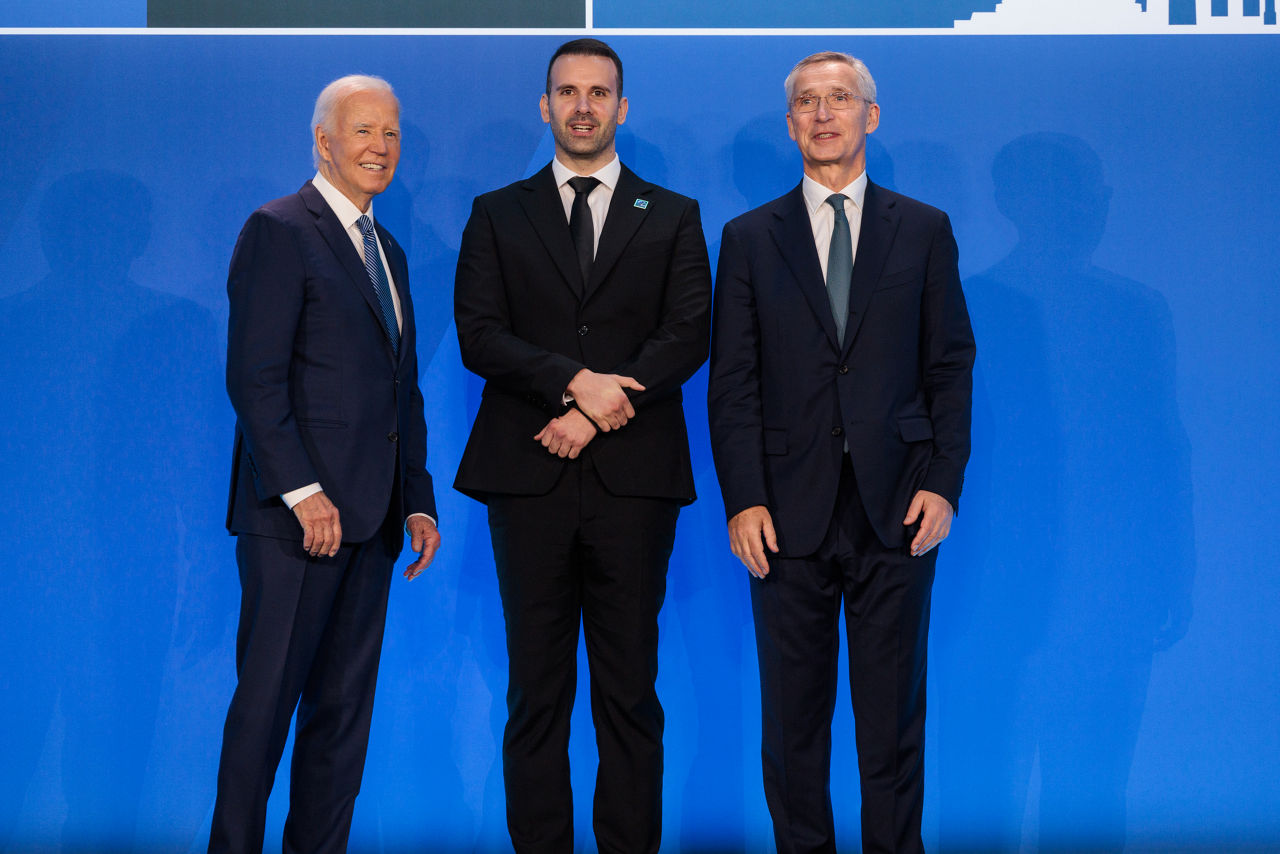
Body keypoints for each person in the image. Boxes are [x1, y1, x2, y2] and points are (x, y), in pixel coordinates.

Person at [708, 52, 975, 854]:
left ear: (871, 115)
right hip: (784, 517)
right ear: (790, 124)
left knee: (892, 725)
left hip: (897, 509)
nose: (823, 115)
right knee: (793, 727)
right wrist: (744, 498)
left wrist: (945, 483)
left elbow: (949, 365)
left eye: (840, 100)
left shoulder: (923, 230)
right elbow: (734, 383)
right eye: (806, 103)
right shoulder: (749, 238)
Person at [453, 38, 711, 854]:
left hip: (633, 488)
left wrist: (597, 411)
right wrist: (574, 381)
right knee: (536, 695)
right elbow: (479, 335)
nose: (583, 106)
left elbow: (688, 335)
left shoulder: (672, 214)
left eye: (599, 92)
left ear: (622, 108)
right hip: (527, 479)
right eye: (567, 91)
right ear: (546, 106)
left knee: (629, 693)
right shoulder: (498, 212)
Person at [210, 74, 441, 854]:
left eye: (392, 134)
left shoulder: (391, 252)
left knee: (341, 722)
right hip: (293, 526)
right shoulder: (279, 229)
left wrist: (419, 498)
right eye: (363, 132)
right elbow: (254, 377)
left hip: (372, 524)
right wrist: (304, 491)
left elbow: (398, 388)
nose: (379, 148)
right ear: (324, 141)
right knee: (266, 711)